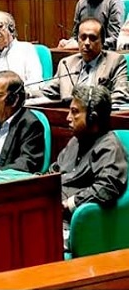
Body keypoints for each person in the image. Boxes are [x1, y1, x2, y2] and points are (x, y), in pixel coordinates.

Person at [50, 84, 128, 220]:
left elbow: (106, 187)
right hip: (50, 211)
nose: (68, 118)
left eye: (74, 112)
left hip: (74, 221)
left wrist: (70, 203)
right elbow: (55, 170)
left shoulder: (109, 147)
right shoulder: (75, 141)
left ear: (93, 118)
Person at [33, 18, 129, 107]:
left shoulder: (114, 61)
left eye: (92, 38)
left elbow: (121, 94)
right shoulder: (67, 63)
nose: (86, 43)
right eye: (83, 38)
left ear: (102, 41)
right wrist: (25, 93)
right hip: (68, 117)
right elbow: (47, 92)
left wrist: (88, 104)